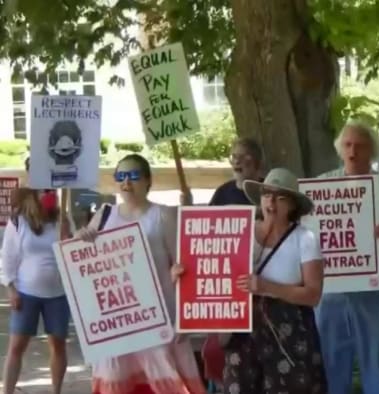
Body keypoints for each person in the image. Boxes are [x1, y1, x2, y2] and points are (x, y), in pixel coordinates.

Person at [174, 167, 327, 394]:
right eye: (267, 194)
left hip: (289, 334)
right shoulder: (239, 230)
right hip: (241, 333)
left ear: (293, 204)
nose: (272, 202)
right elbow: (208, 266)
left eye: (280, 197)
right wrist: (182, 273)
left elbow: (313, 294)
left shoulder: (304, 239)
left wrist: (267, 287)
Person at [75, 154, 205, 394]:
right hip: (117, 326)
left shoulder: (163, 215)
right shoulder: (104, 215)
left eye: (133, 176)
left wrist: (185, 321)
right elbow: (82, 267)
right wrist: (81, 240)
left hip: (159, 321)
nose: (127, 183)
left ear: (148, 180)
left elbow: (186, 269)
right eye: (120, 176)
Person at [315, 121, 379, 394]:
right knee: (329, 365)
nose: (353, 151)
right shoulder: (322, 186)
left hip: (373, 287)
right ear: (339, 149)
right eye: (347, 144)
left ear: (372, 151)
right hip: (330, 290)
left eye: (360, 145)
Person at [197, 137, 265, 388]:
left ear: (257, 164)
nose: (236, 160)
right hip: (228, 277)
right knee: (218, 348)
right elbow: (206, 230)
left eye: (243, 156)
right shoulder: (223, 192)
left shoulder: (267, 192)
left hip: (262, 278)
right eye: (233, 155)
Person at [2, 188, 71, 394]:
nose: (50, 195)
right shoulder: (18, 222)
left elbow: (73, 252)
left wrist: (69, 236)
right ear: (34, 195)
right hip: (26, 293)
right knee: (16, 347)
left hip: (58, 295)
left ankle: (56, 390)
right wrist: (11, 288)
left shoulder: (62, 220)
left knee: (58, 345)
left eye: (53, 191)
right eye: (45, 191)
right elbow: (8, 257)